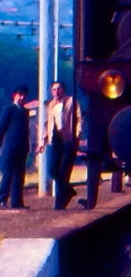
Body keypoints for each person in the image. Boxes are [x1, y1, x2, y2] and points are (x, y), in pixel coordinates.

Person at [39, 82, 81, 210]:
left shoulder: (71, 102)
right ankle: (68, 190)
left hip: (68, 140)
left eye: (58, 89)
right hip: (55, 140)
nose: (56, 92)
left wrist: (77, 134)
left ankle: (59, 204)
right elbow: (46, 124)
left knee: (64, 172)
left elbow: (79, 118)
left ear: (63, 90)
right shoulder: (50, 105)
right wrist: (42, 141)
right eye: (54, 90)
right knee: (52, 170)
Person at [0, 86, 31, 209]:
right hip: (10, 147)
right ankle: (2, 199)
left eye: (24, 95)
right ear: (14, 95)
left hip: (22, 147)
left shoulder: (25, 111)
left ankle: (17, 202)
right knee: (7, 173)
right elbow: (1, 128)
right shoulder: (8, 109)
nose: (22, 98)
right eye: (20, 95)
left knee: (19, 175)